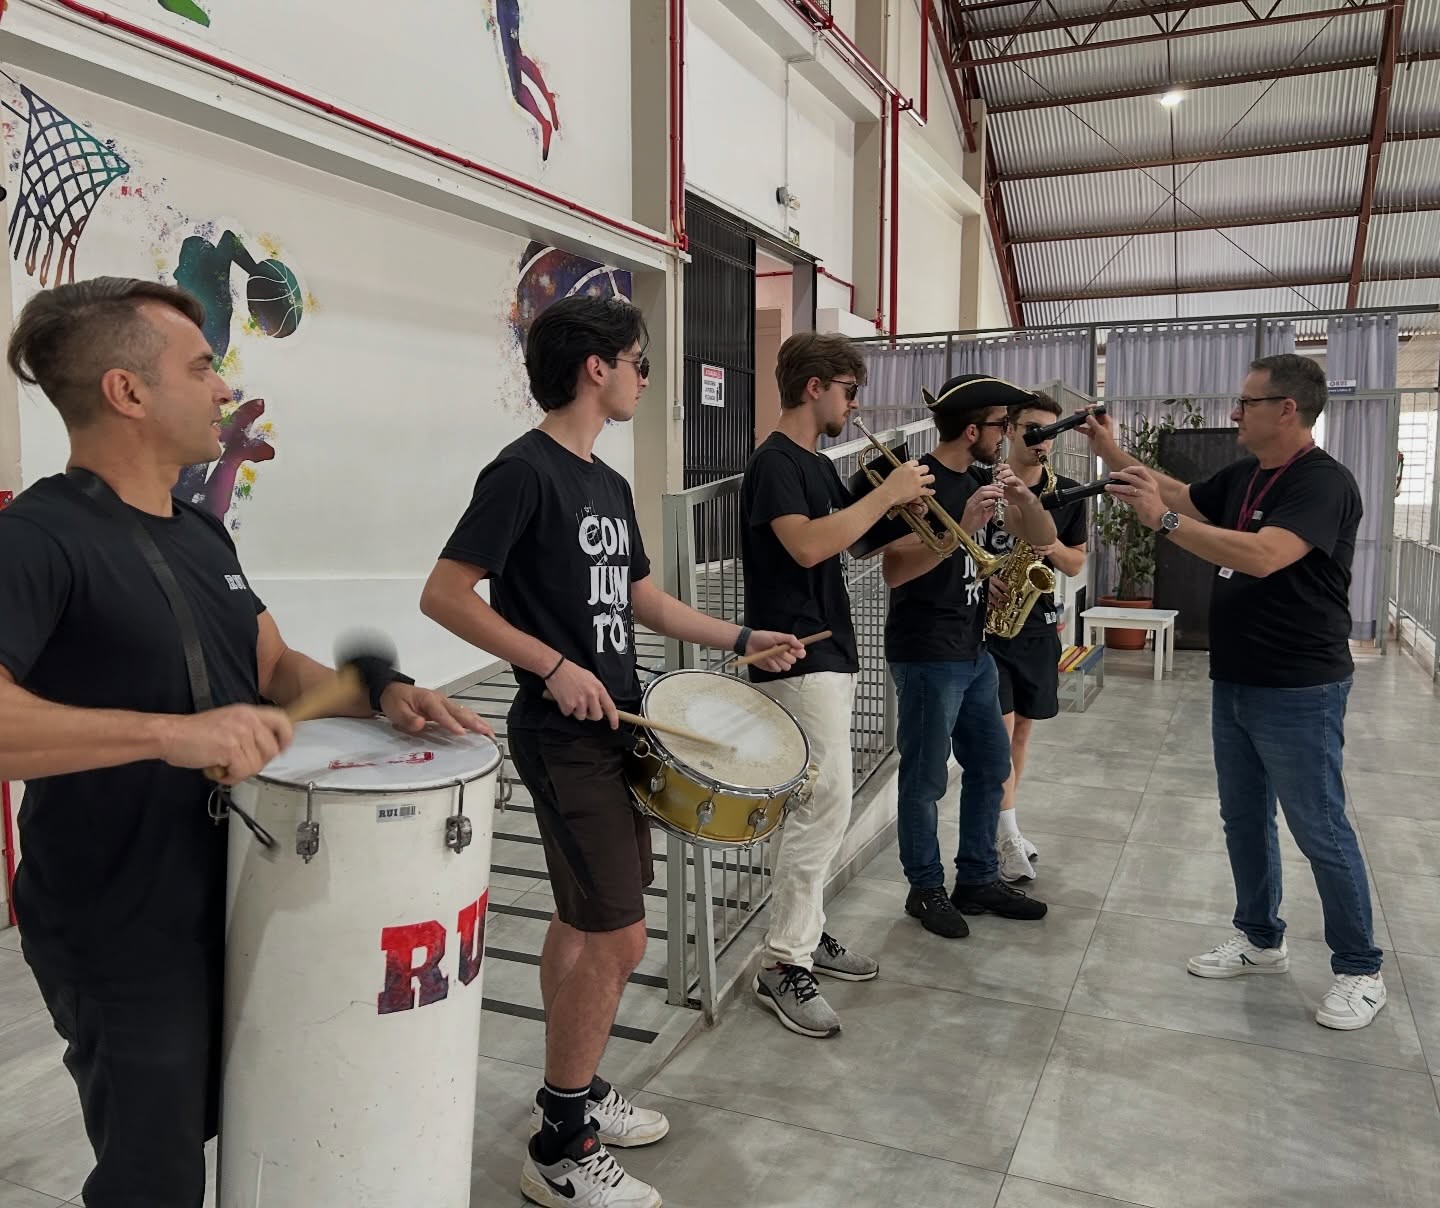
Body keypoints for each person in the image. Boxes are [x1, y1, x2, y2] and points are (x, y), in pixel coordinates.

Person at [0, 277, 485, 1208]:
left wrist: (381, 694)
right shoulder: (35, 539)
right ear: (126, 392)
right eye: (200, 368)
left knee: (276, 1116)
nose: (224, 388)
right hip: (120, 917)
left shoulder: (199, 533)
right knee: (156, 1174)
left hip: (243, 892)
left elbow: (274, 666)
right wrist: (172, 734)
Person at [420, 295, 804, 1208]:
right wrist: (552, 665)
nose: (644, 379)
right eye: (639, 362)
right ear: (597, 367)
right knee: (620, 935)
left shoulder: (608, 483)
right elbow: (445, 594)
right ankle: (560, 1148)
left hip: (619, 728)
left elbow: (643, 600)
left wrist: (740, 638)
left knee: (582, 919)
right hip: (562, 736)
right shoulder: (523, 472)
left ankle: (577, 1088)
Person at [1087, 353, 1385, 1030]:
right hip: (1237, 678)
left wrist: (1162, 524)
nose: (1234, 413)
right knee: (1243, 818)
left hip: (1300, 686)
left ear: (1288, 409)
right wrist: (1111, 454)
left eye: (1247, 403)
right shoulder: (1250, 474)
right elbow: (1182, 495)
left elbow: (1263, 554)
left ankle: (1359, 967)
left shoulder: (1322, 482)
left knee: (1319, 827)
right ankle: (1259, 938)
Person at [739, 331, 934, 1038]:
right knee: (822, 806)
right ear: (814, 386)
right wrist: (886, 492)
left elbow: (856, 542)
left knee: (814, 808)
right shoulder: (774, 463)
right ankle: (782, 961)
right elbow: (807, 545)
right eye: (850, 391)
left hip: (829, 650)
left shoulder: (818, 466)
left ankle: (804, 928)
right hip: (795, 656)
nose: (855, 406)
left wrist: (938, 518)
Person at [882, 374, 1053, 939]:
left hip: (975, 648)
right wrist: (965, 529)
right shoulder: (917, 481)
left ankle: (978, 877)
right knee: (925, 779)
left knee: (991, 766)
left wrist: (1023, 498)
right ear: (973, 429)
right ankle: (925, 888)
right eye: (1002, 424)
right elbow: (894, 568)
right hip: (927, 651)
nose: (1008, 435)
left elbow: (1044, 536)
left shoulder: (985, 478)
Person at [981, 390, 1089, 883]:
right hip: (987, 628)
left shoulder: (1065, 491)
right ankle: (1005, 835)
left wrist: (1047, 545)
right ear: (1009, 429)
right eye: (1033, 430)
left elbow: (1076, 562)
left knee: (1023, 731)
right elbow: (954, 547)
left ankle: (1006, 823)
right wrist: (982, 575)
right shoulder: (982, 483)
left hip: (1037, 623)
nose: (1042, 441)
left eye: (1051, 433)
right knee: (999, 735)